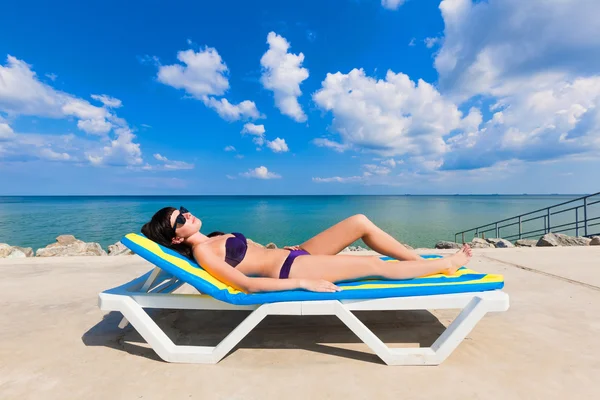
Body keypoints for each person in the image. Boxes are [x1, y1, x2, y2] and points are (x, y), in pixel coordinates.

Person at [141, 206, 472, 294]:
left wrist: (287, 249)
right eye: (179, 219)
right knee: (373, 263)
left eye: (182, 210)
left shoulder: (215, 237)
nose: (186, 215)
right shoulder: (203, 254)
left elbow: (254, 252)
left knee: (359, 222)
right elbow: (247, 284)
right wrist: (301, 283)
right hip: (291, 272)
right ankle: (444, 267)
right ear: (175, 239)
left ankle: (422, 264)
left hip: (295, 255)